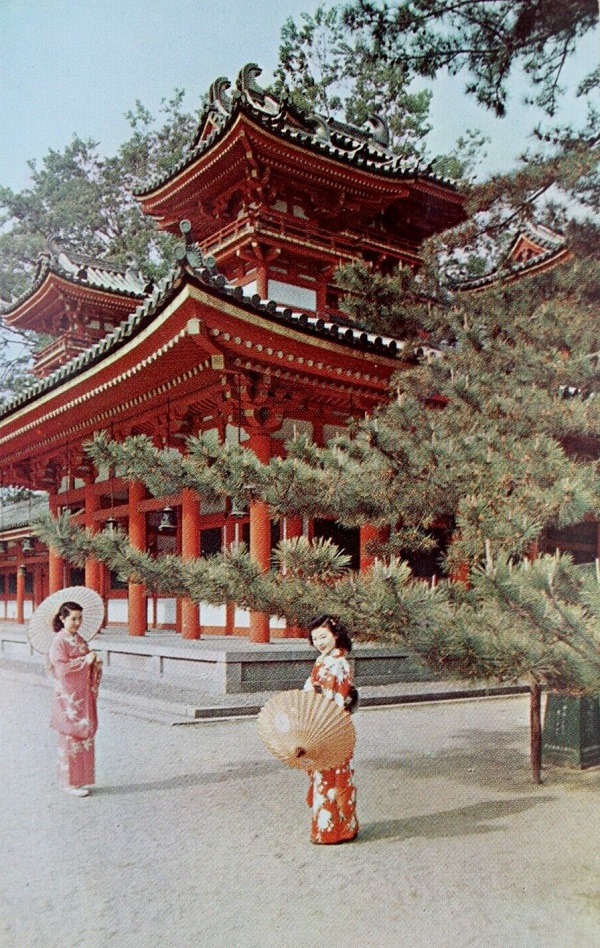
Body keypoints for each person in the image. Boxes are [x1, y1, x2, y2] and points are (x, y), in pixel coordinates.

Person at [303, 614, 359, 844]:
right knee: (324, 778)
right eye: (315, 638)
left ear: (336, 635)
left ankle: (335, 831)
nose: (320, 642)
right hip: (320, 722)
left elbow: (335, 698)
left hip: (331, 726)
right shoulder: (322, 661)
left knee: (333, 778)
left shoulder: (339, 663)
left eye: (324, 636)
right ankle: (333, 828)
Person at [47, 601, 102, 797]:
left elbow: (87, 662)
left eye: (80, 618)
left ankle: (80, 780)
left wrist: (94, 660)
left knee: (83, 738)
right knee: (70, 737)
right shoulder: (58, 641)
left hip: (82, 696)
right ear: (62, 619)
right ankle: (67, 783)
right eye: (73, 618)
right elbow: (61, 670)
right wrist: (83, 661)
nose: (77, 623)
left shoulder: (79, 640)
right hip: (68, 698)